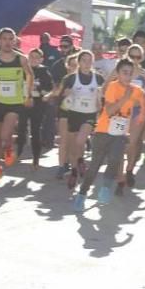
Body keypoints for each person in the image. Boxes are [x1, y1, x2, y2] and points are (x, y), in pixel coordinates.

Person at [72, 59, 145, 211]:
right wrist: (126, 98)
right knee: (94, 166)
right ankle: (82, 194)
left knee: (115, 160)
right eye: (124, 72)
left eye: (130, 73)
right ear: (118, 74)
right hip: (103, 132)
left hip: (120, 133)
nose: (127, 76)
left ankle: (105, 188)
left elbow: (144, 101)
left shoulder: (136, 90)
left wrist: (142, 114)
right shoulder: (113, 87)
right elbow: (110, 110)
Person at [0, 28, 35, 186]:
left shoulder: (21, 59)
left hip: (14, 102)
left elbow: (30, 75)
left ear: (15, 41)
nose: (7, 42)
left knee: (5, 135)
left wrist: (28, 94)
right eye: (4, 38)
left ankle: (9, 147)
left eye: (10, 39)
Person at [58, 50, 105, 190]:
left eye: (89, 60)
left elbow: (104, 95)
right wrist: (65, 94)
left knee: (80, 140)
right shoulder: (70, 78)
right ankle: (74, 170)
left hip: (89, 115)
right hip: (73, 114)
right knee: (74, 146)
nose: (87, 63)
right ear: (78, 62)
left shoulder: (98, 78)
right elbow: (60, 94)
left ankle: (80, 161)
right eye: (84, 60)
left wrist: (100, 102)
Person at [114, 43, 145, 195]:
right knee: (120, 144)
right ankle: (120, 178)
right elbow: (105, 88)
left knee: (131, 143)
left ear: (142, 57)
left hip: (137, 111)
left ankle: (129, 169)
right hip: (120, 111)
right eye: (132, 56)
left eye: (138, 57)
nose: (135, 59)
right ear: (127, 56)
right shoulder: (119, 71)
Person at [16, 47, 54, 169]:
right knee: (21, 128)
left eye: (37, 57)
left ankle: (36, 159)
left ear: (41, 59)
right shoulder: (23, 70)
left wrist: (43, 92)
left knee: (35, 131)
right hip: (24, 102)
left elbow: (50, 88)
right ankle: (18, 152)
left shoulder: (44, 71)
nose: (33, 59)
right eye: (31, 57)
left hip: (38, 104)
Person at [51, 53, 80, 179]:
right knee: (64, 140)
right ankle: (61, 166)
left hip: (79, 114)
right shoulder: (65, 80)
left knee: (74, 142)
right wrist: (61, 93)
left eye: (76, 65)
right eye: (72, 65)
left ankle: (74, 163)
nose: (74, 67)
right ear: (67, 66)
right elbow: (57, 93)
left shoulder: (85, 80)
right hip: (64, 112)